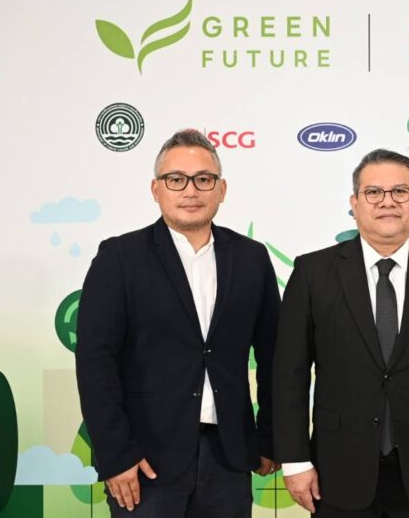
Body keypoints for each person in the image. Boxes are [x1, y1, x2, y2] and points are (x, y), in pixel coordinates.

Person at [273, 149, 409, 517]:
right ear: (355, 203)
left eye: (399, 192)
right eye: (373, 192)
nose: (387, 201)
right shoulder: (313, 272)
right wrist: (295, 461)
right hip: (337, 470)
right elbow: (289, 375)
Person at [75, 129, 280, 517]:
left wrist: (269, 437)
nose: (190, 191)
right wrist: (115, 455)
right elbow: (95, 362)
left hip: (230, 457)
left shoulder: (251, 258)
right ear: (156, 189)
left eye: (203, 179)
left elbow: (274, 357)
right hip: (145, 460)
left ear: (221, 189)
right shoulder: (120, 257)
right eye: (176, 180)